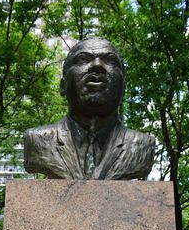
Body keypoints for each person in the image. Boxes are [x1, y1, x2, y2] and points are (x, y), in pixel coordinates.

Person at [24, 37, 155, 180]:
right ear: (63, 86)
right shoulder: (37, 141)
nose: (97, 65)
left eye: (110, 60)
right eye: (82, 59)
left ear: (123, 88)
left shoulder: (142, 145)